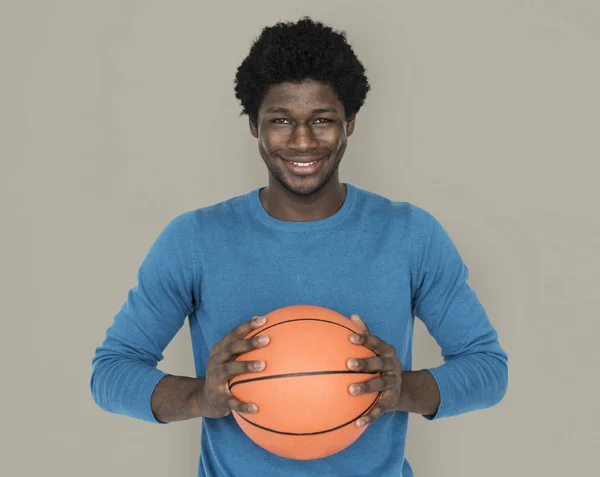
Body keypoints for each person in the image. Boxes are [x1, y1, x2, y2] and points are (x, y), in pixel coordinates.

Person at [91, 17, 508, 477]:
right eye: (281, 120)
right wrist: (201, 398)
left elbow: (488, 370)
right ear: (253, 125)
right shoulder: (195, 239)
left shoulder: (410, 234)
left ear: (350, 122)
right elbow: (111, 373)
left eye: (323, 120)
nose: (303, 140)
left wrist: (399, 389)